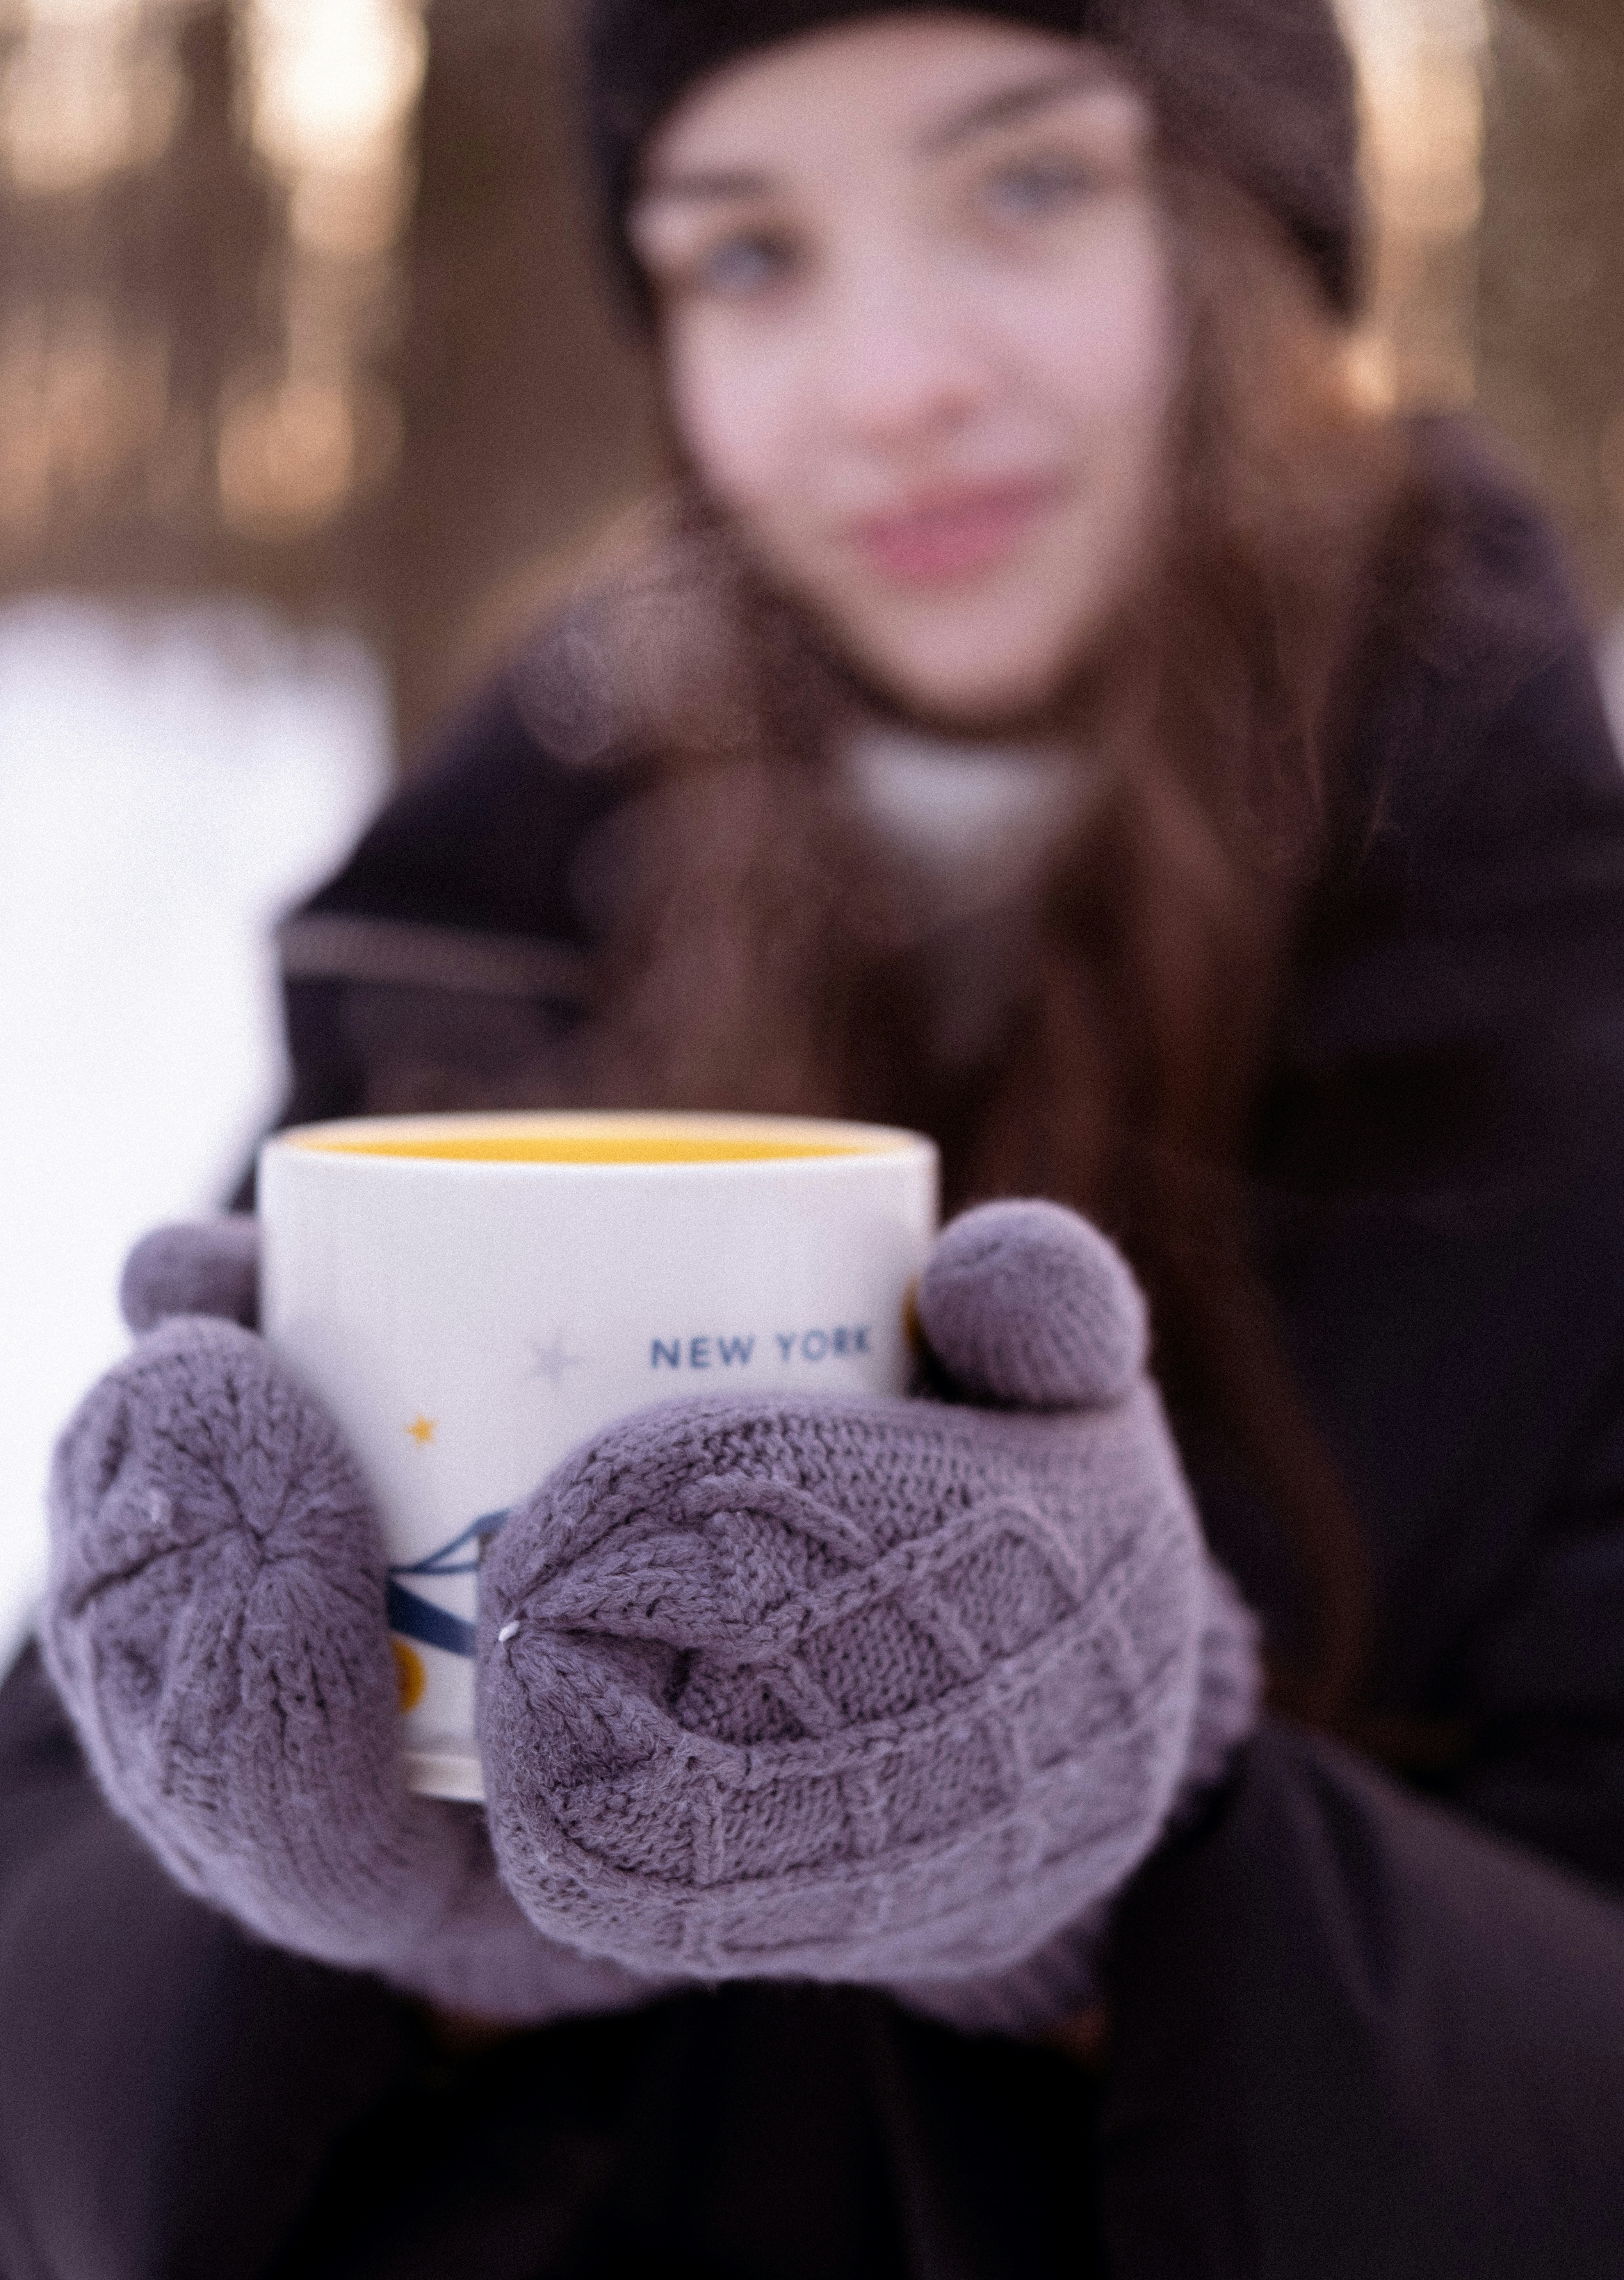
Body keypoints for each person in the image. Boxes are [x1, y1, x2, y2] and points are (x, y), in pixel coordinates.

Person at [6, 2, 1624, 2273]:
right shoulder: (480, 959)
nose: (887, 384)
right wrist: (306, 1909)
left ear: (1259, 246)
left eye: (1029, 187)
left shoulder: (1566, 1025)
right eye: (750, 256)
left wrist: (1135, 1858)